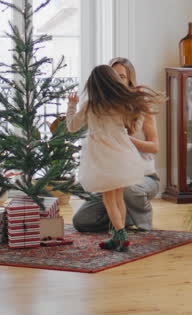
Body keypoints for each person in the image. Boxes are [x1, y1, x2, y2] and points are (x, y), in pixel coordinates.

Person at [66, 63, 160, 251]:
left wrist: (71, 105)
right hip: (122, 156)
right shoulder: (120, 105)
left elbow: (71, 127)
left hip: (102, 160)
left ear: (92, 85)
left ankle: (120, 235)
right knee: (118, 199)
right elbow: (133, 127)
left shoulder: (90, 106)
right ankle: (118, 236)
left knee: (109, 200)